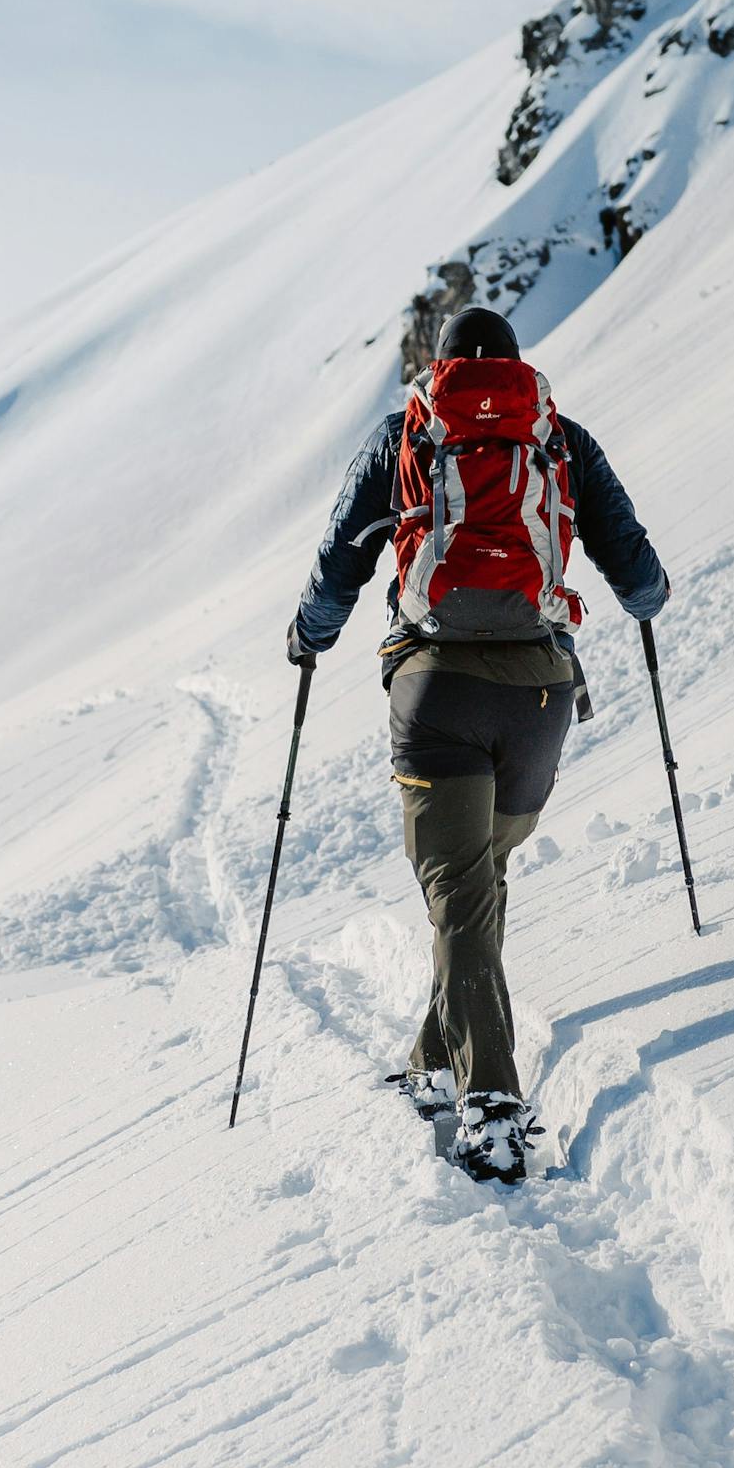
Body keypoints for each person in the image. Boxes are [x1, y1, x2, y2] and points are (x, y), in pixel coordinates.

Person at [288, 306, 669, 1183]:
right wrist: (645, 602)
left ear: (442, 364)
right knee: (477, 880)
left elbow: (340, 559)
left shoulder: (405, 436)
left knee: (461, 892)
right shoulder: (558, 438)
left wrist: (309, 635)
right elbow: (637, 570)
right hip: (539, 695)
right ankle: (433, 1060)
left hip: (434, 688)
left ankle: (491, 1104)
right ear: (515, 367)